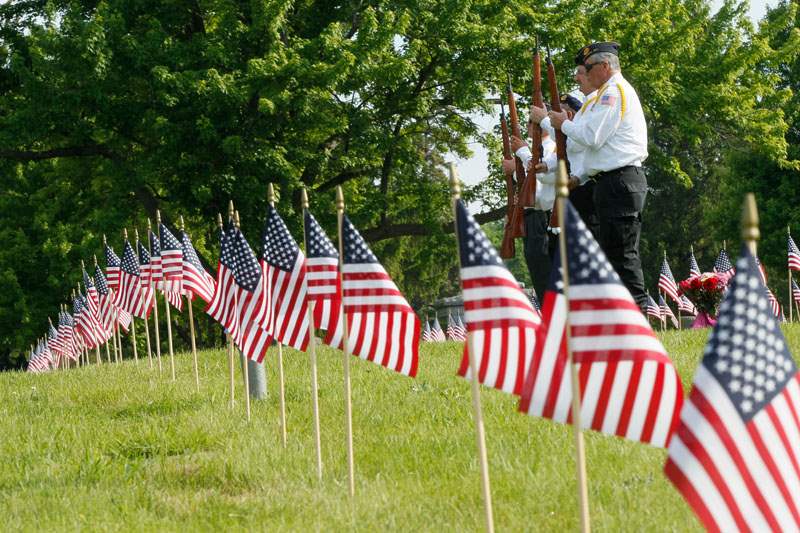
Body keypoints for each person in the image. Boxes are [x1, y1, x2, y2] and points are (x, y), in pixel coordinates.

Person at [535, 42, 649, 311]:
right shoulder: (602, 96)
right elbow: (592, 148)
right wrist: (581, 176)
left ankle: (640, 318)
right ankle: (624, 321)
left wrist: (559, 123)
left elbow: (591, 137)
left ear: (604, 66)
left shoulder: (614, 92)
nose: (579, 75)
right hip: (608, 182)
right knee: (611, 256)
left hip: (620, 182)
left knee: (622, 257)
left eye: (586, 68)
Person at [502, 128, 557, 299]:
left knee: (544, 273)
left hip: (543, 214)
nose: (529, 127)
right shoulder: (535, 149)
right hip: (532, 216)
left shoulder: (551, 147)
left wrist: (516, 166)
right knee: (538, 274)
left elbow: (540, 180)